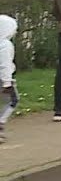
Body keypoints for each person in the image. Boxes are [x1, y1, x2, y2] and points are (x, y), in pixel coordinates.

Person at [0, 15, 18, 143]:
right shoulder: (5, 45)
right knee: (13, 101)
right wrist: (7, 82)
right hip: (3, 79)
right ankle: (0, 122)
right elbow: (4, 65)